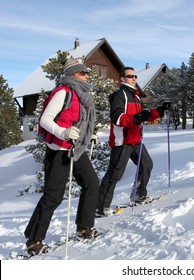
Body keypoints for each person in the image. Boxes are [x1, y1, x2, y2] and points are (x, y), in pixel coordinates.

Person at [24, 59, 100, 255]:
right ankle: (34, 241)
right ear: (72, 74)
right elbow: (45, 120)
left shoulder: (82, 94)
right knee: (53, 196)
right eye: (82, 72)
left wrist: (87, 134)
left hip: (76, 148)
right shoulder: (63, 91)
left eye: (86, 71)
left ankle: (84, 228)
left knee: (91, 184)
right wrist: (64, 133)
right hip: (58, 149)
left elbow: (81, 120)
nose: (86, 75)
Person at [96, 66, 170, 217]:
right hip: (122, 140)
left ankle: (138, 195)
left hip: (135, 139)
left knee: (146, 164)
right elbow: (117, 118)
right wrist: (137, 118)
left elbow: (145, 115)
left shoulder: (135, 96)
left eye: (135, 76)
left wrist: (160, 110)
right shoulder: (119, 95)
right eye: (130, 76)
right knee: (114, 174)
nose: (134, 78)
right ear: (122, 79)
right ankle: (100, 208)